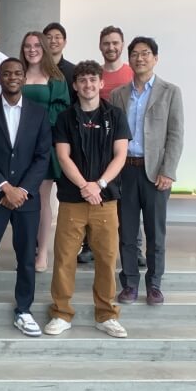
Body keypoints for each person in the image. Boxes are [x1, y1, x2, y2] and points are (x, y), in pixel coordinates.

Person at [44, 60, 131, 338]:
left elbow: (121, 155)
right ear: (75, 85)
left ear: (101, 83)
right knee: (64, 258)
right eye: (82, 80)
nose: (88, 85)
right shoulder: (65, 118)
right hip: (72, 199)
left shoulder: (115, 115)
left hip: (106, 201)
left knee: (106, 258)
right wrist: (85, 185)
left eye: (93, 80)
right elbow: (63, 156)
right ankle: (60, 312)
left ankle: (106, 314)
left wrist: (100, 185)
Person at [0, 58, 51, 338]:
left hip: (27, 200)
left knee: (26, 257)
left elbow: (42, 157)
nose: (12, 77)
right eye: (6, 74)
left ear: (24, 79)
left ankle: (24, 311)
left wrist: (22, 190)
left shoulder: (39, 113)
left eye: (17, 73)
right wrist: (5, 187)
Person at [111, 37, 184, 306]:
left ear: (156, 58)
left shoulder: (170, 91)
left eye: (146, 53)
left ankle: (154, 284)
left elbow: (175, 135)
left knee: (155, 233)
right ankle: (129, 284)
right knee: (127, 232)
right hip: (125, 171)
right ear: (129, 59)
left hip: (156, 173)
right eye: (135, 54)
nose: (140, 58)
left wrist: (169, 170)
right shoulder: (119, 94)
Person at [19, 31, 71, 273]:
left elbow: (61, 113)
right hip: (18, 146)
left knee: (41, 199)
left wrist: (37, 128)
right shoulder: (17, 74)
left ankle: (42, 253)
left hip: (43, 144)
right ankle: (25, 248)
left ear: (44, 48)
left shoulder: (56, 78)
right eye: (27, 46)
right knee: (22, 198)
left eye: (37, 45)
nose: (32, 49)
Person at [98, 26, 146, 268]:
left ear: (122, 45)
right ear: (100, 46)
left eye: (115, 43)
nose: (111, 47)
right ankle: (90, 245)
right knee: (97, 194)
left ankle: (134, 248)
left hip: (123, 146)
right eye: (106, 43)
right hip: (97, 145)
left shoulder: (131, 74)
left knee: (128, 201)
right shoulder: (95, 74)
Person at [43, 22, 77, 104]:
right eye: (48, 37)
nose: (53, 41)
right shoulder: (36, 69)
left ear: (65, 42)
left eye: (57, 37)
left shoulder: (74, 70)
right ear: (42, 42)